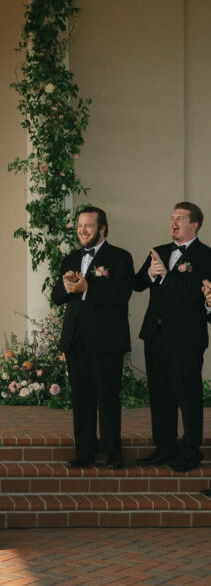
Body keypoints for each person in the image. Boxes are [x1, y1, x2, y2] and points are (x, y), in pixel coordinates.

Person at [50, 207, 134, 469]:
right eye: (79, 226)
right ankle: (84, 452)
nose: (82, 230)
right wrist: (66, 285)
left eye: (88, 226)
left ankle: (113, 453)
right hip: (76, 341)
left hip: (107, 341)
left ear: (102, 229)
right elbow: (56, 297)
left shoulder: (120, 258)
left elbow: (120, 297)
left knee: (108, 397)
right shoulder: (71, 258)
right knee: (81, 399)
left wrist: (87, 288)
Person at [134, 202, 211, 472]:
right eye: (171, 218)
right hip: (156, 335)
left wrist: (166, 278)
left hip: (187, 338)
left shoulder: (206, 256)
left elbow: (197, 293)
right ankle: (164, 447)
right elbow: (137, 284)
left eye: (180, 218)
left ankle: (191, 452)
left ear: (195, 225)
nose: (173, 222)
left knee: (187, 395)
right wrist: (149, 273)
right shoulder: (160, 252)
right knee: (160, 394)